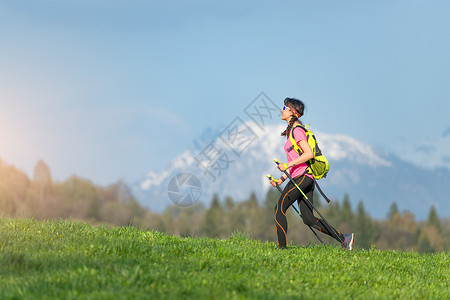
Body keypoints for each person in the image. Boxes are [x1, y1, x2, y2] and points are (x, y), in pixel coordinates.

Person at [270, 97, 355, 250]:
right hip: (302, 177)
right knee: (308, 219)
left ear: (292, 112)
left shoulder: (297, 131)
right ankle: (344, 238)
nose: (281, 110)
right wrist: (280, 181)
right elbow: (296, 161)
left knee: (279, 210)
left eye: (285, 107)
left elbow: (308, 154)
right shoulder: (291, 132)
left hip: (302, 178)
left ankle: (281, 248)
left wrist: (287, 165)